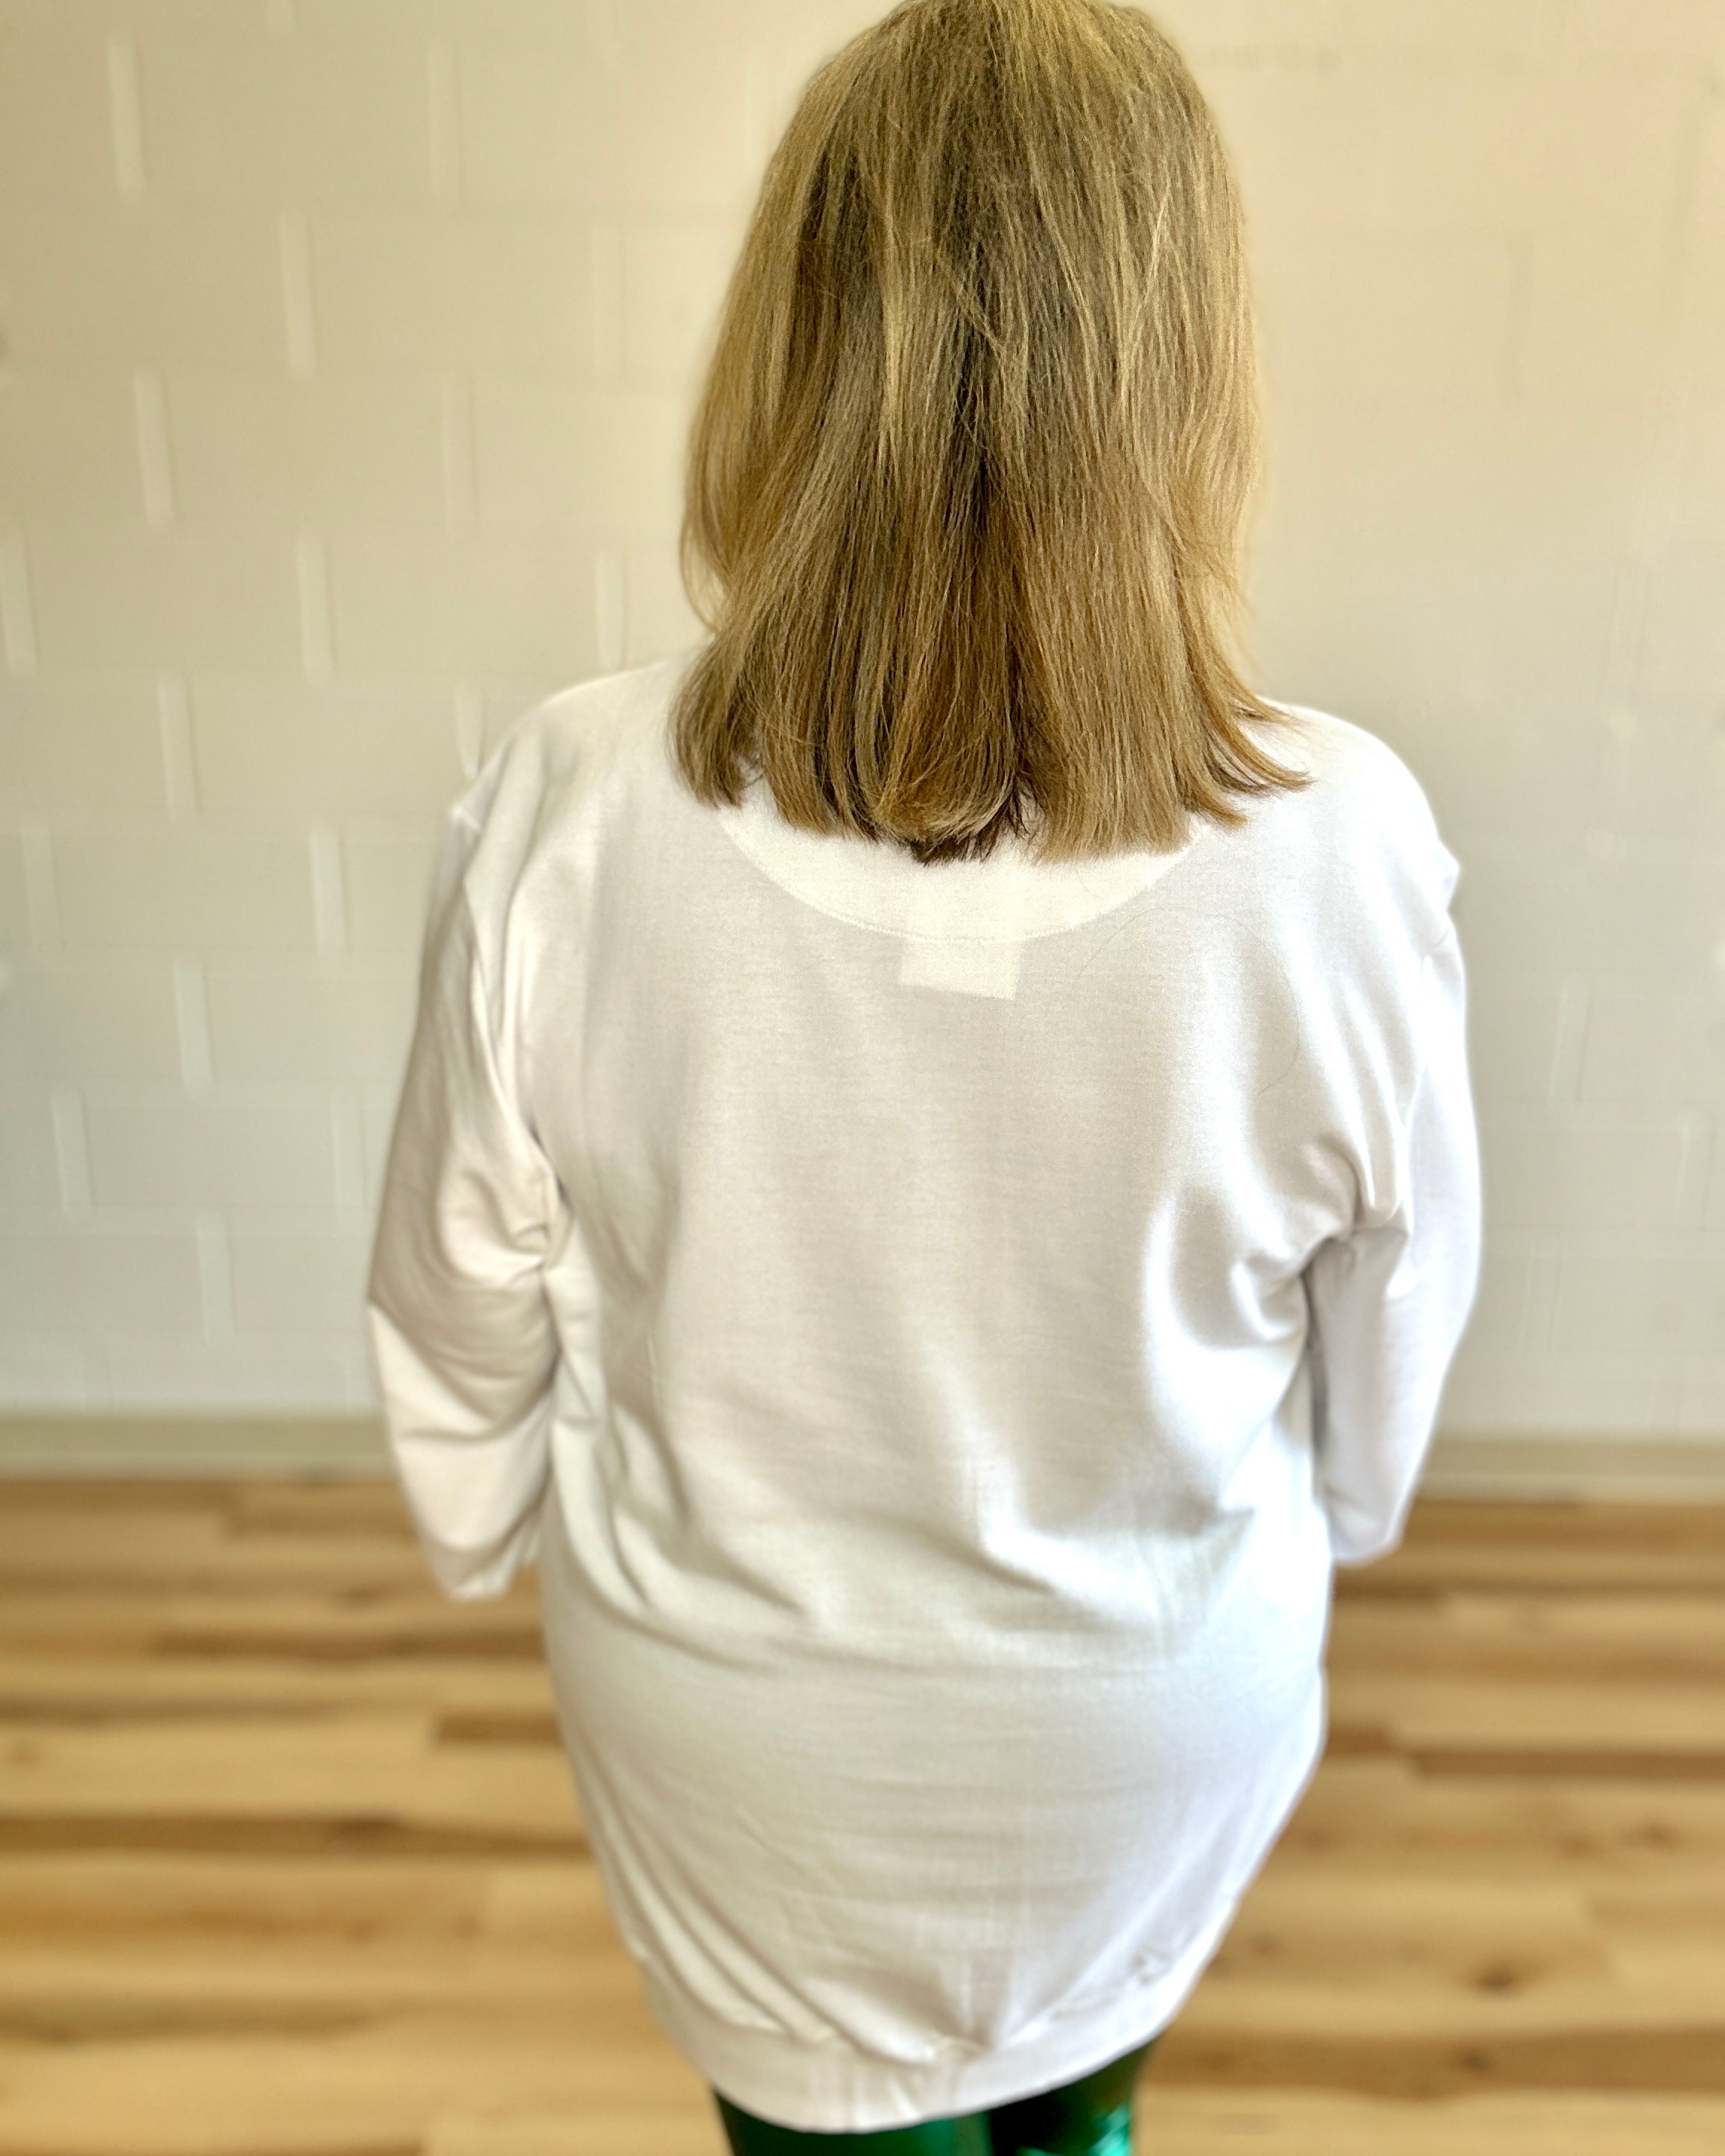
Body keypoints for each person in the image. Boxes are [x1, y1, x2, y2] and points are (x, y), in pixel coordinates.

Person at [364, 0, 1483, 2149]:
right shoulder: (1342, 846)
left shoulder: (569, 803)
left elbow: (456, 1277)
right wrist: (1348, 1503)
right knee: (1080, 2112)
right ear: (1181, 371)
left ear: (794, 350)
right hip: (1150, 1711)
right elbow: (1391, 1313)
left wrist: (471, 1513)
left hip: (743, 1739)